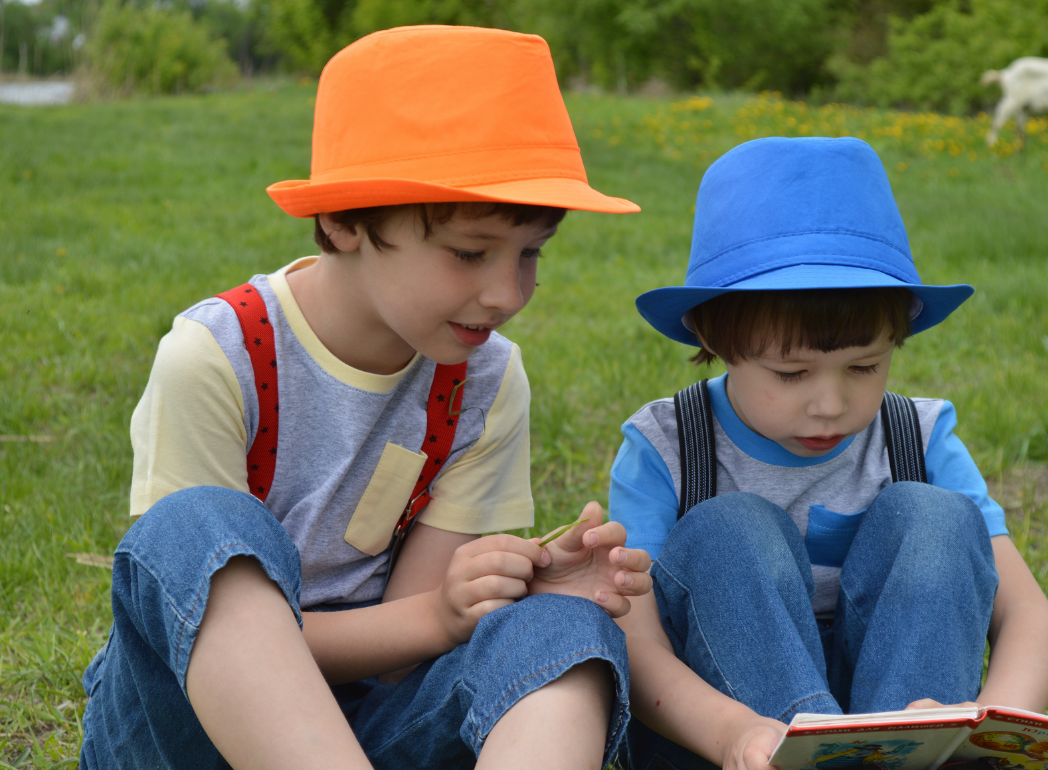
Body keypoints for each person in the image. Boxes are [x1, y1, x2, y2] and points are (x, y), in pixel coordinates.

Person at [79, 26, 654, 770]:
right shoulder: (216, 356)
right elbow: (183, 612)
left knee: (565, 630)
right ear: (345, 219)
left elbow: (398, 656)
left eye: (530, 254)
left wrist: (495, 595)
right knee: (193, 528)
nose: (508, 293)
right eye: (470, 253)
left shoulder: (484, 379)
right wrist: (438, 614)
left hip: (369, 726)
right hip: (184, 728)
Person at [607, 137, 1048, 770]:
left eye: (864, 366)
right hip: (727, 734)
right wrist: (734, 732)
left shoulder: (920, 436)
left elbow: (1028, 616)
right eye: (791, 374)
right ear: (712, 334)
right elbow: (633, 638)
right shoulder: (666, 444)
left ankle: (904, 755)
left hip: (900, 725)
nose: (830, 403)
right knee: (727, 527)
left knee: (935, 517)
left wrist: (987, 729)